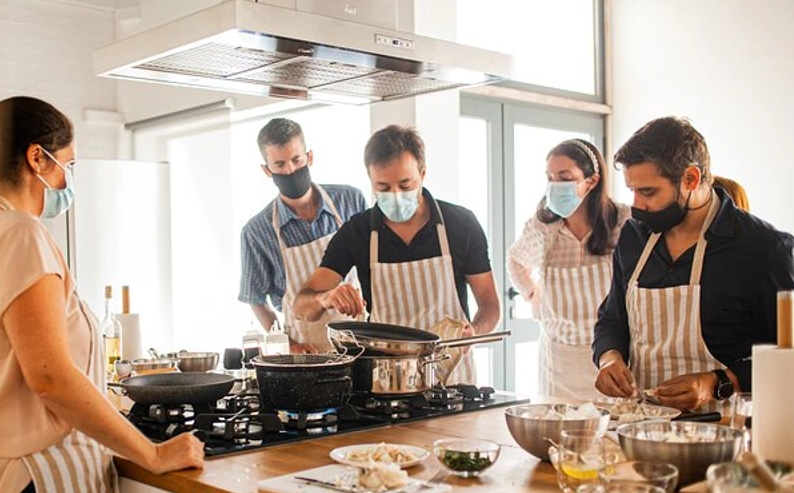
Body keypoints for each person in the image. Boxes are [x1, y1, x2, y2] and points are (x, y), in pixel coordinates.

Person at [0, 97, 204, 493]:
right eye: (68, 165)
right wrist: (152, 453)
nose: (68, 181)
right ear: (36, 159)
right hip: (35, 491)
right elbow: (48, 376)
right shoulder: (17, 235)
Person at [593, 116, 794, 410]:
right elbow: (612, 318)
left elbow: (787, 353)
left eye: (648, 192)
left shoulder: (764, 248)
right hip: (642, 425)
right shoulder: (634, 237)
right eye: (632, 190)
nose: (636, 205)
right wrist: (609, 358)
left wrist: (718, 382)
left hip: (729, 429)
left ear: (691, 178)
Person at [294, 124, 500, 385]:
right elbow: (301, 307)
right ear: (370, 181)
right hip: (386, 384)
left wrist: (475, 331)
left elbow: (490, 305)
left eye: (405, 185)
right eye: (383, 187)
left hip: (452, 382)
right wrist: (326, 298)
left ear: (422, 173)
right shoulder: (357, 232)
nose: (395, 195)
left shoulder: (460, 224)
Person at [507, 139, 630, 399]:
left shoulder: (623, 221)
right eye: (550, 177)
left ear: (592, 181)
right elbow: (516, 260)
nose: (555, 184)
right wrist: (532, 293)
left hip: (610, 356)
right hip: (557, 359)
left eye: (565, 177)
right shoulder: (543, 227)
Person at [238, 118, 368, 352]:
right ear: (266, 170)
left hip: (360, 341)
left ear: (309, 157)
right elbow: (255, 300)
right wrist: (288, 344)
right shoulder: (256, 231)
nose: (290, 170)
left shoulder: (350, 200)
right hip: (307, 351)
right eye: (279, 165)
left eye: (296, 160)